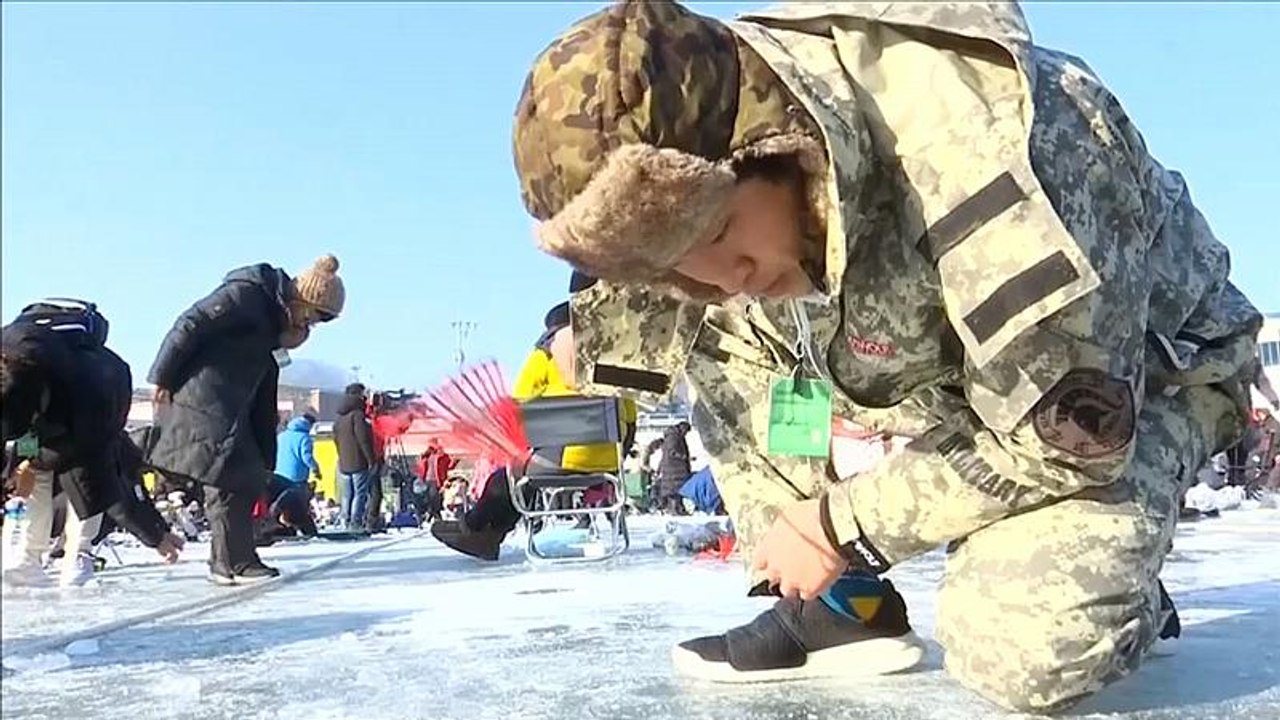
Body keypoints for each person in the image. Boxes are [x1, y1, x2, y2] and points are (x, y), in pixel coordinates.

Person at [510, 1, 1261, 712]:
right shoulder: (751, 220)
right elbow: (674, 289)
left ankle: (1119, 574)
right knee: (700, 323)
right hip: (960, 383)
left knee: (1025, 652)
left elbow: (1074, 438)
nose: (724, 279)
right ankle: (839, 608)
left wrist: (839, 523)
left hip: (1141, 381)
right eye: (678, 264)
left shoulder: (984, 155)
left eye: (718, 232)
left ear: (772, 143)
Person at [146, 256, 345, 585]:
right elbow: (190, 323)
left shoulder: (273, 314)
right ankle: (226, 561)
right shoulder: (246, 296)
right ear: (303, 299)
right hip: (206, 396)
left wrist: (286, 335)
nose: (313, 324)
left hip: (237, 401)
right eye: (315, 316)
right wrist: (162, 377)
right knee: (225, 475)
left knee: (250, 474)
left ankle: (240, 556)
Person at [432, 294, 637, 561]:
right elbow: (631, 415)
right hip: (610, 459)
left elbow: (520, 405)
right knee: (518, 472)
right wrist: (620, 453)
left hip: (561, 457)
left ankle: (478, 531)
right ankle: (483, 534)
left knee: (506, 477)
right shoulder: (618, 356)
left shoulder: (546, 355)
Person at [2, 301, 184, 588]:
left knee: (87, 484)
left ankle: (79, 553)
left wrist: (154, 533)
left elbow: (109, 479)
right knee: (36, 474)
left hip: (86, 422)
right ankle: (30, 557)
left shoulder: (95, 384)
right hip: (46, 406)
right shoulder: (16, 370)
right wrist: (21, 462)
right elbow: (23, 424)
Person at [334, 383, 376, 531]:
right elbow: (363, 439)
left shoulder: (339, 417)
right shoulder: (357, 415)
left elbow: (336, 440)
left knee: (347, 494)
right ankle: (355, 521)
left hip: (344, 462)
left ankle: (345, 520)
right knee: (360, 493)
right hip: (359, 461)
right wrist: (371, 459)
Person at [655, 421, 693, 515]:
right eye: (686, 431)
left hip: (672, 469)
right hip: (674, 469)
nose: (686, 434)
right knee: (674, 490)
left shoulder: (674, 436)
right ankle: (675, 509)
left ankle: (678, 508)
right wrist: (683, 457)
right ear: (682, 428)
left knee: (676, 490)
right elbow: (672, 452)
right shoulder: (674, 437)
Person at [275, 413, 320, 488]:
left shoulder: (281, 435)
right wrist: (315, 468)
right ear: (310, 424)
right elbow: (307, 457)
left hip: (279, 474)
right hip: (296, 476)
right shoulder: (305, 438)